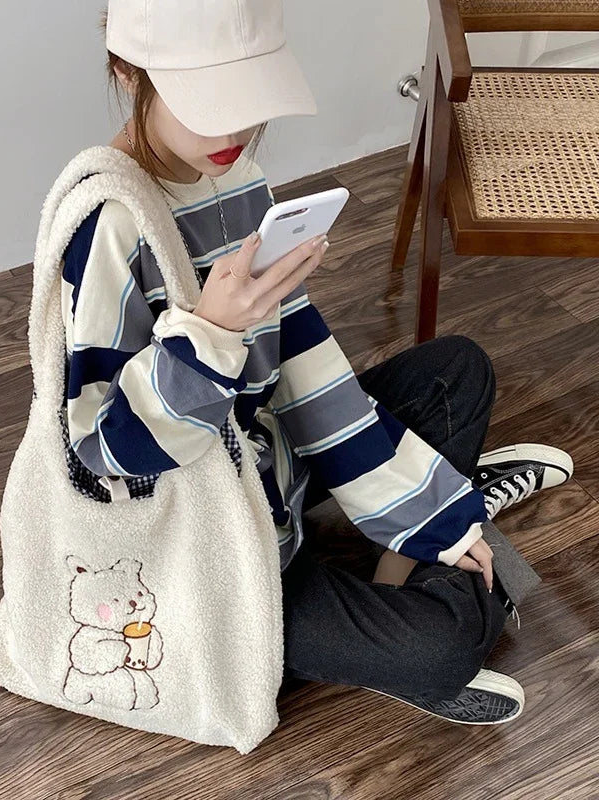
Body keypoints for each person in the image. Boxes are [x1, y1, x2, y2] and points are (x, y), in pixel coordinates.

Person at [60, 0, 574, 726]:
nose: (234, 131)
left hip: (272, 465)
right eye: (210, 102)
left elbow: (302, 359)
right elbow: (103, 455)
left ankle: (427, 543)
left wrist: (414, 514)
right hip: (216, 548)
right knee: (444, 648)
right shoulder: (106, 224)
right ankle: (454, 540)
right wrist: (207, 335)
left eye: (249, 99)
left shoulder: (235, 178)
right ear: (125, 68)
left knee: (459, 371)